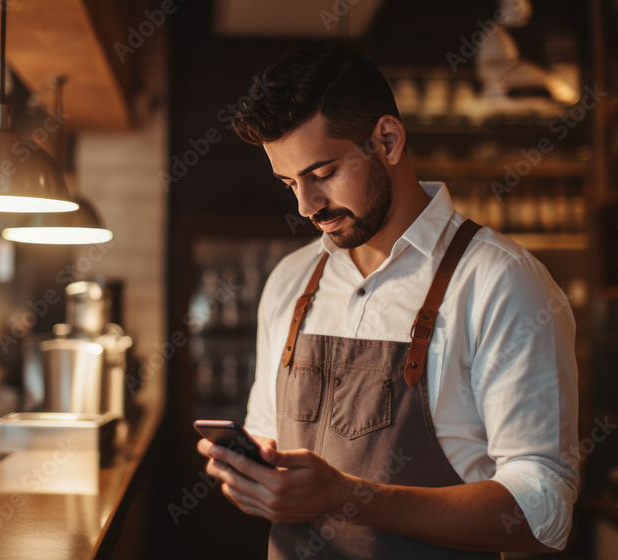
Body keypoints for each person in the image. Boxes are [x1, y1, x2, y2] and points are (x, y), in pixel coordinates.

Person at [196, 38, 579, 559]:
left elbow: (544, 512)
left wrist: (352, 498)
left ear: (389, 139)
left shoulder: (500, 282)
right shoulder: (290, 279)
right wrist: (254, 479)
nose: (308, 206)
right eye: (289, 183)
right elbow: (270, 442)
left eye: (323, 173)